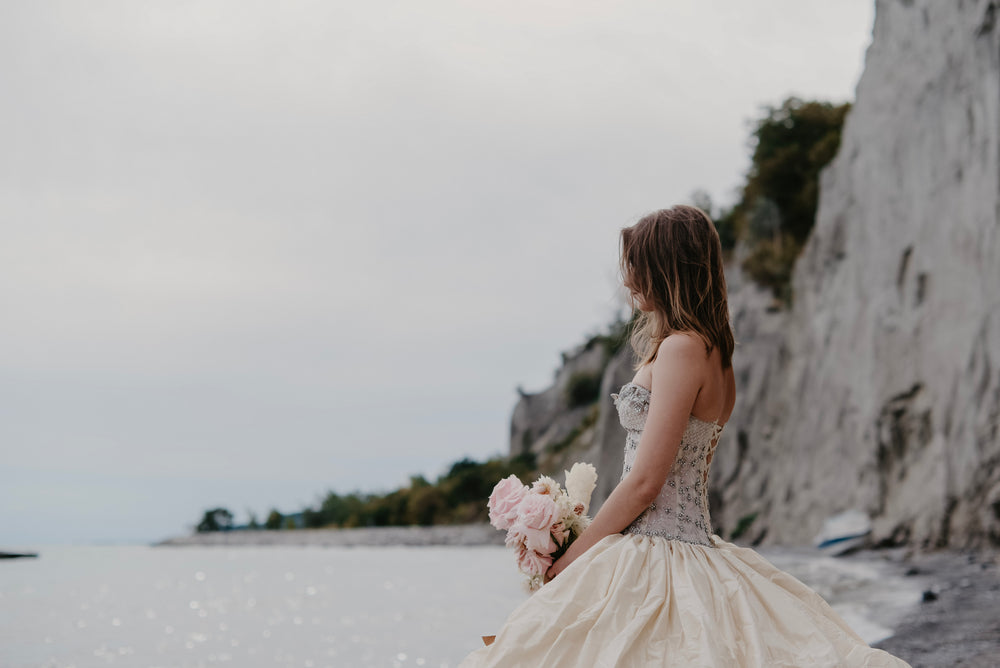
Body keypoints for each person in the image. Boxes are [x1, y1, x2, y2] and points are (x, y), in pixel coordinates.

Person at [459, 206, 910, 667]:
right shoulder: (717, 354)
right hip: (688, 548)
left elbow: (645, 481)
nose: (627, 280)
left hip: (655, 554)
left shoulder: (681, 349)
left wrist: (572, 557)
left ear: (666, 268)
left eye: (636, 265)